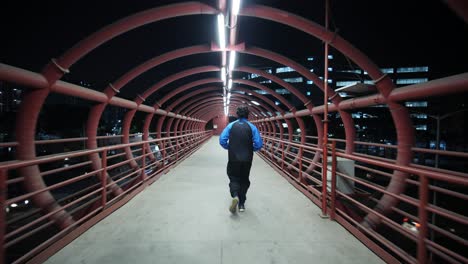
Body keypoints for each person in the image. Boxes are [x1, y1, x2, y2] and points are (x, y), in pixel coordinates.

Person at [219, 105, 263, 213]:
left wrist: (229, 147)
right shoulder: (252, 127)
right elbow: (258, 144)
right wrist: (251, 149)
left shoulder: (231, 125)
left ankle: (235, 196)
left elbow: (222, 140)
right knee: (244, 179)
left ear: (237, 115)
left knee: (234, 178)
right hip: (247, 159)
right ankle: (242, 204)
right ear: (248, 115)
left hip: (233, 158)